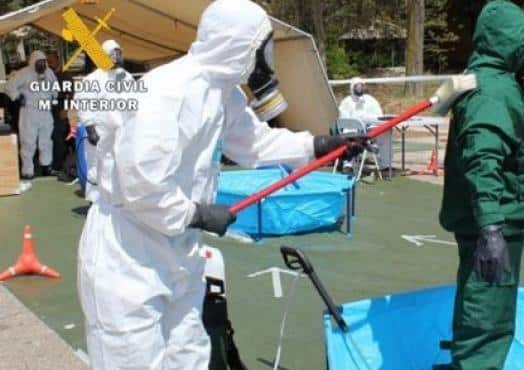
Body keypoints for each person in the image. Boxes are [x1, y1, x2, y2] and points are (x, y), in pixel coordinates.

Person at [76, 1, 367, 369]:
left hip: (179, 250)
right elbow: (141, 184)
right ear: (241, 45)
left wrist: (315, 144)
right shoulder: (168, 92)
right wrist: (196, 214)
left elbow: (254, 143)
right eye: (264, 48)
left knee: (190, 356)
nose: (266, 59)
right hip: (129, 255)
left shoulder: (222, 94)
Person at [438, 1, 524, 369]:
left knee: (482, 312)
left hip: (495, 226)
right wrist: (491, 229)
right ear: (514, 46)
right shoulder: (490, 94)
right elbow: (482, 161)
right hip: (493, 231)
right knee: (486, 322)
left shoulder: (494, 83)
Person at [75, 39, 134, 202]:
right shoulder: (92, 79)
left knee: (119, 167)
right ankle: (94, 202)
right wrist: (90, 129)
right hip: (100, 132)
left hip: (122, 132)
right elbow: (83, 104)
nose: (116, 57)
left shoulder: (126, 77)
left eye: (118, 53)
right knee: (97, 166)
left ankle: (116, 200)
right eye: (112, 54)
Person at [5, 50, 58, 179]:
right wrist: (17, 96)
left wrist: (53, 96)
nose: (42, 65)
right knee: (28, 141)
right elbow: (8, 86)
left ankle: (46, 167)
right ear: (33, 63)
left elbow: (55, 87)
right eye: (39, 63)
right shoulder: (23, 73)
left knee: (46, 141)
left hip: (45, 112)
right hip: (30, 112)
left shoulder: (49, 72)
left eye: (43, 62)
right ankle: (27, 171)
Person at [338, 77, 392, 176]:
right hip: (354, 131)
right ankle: (348, 165)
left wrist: (368, 121)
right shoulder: (346, 102)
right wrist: (358, 122)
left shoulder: (370, 100)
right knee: (349, 133)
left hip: (370, 129)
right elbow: (344, 120)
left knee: (386, 132)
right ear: (352, 87)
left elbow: (379, 116)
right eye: (357, 86)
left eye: (361, 86)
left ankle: (385, 164)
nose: (359, 88)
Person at [46, 51, 73, 174]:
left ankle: (57, 166)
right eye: (48, 61)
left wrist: (66, 109)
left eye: (51, 61)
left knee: (58, 138)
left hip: (60, 108)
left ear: (58, 61)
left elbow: (71, 95)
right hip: (48, 109)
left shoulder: (65, 76)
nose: (50, 63)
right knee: (49, 137)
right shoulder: (45, 76)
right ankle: (50, 164)